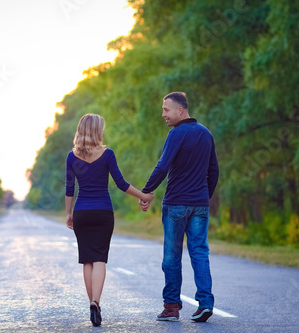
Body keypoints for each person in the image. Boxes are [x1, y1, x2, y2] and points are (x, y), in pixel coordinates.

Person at [65, 113, 154, 327]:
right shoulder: (108, 154)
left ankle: (92, 304)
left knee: (86, 259)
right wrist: (143, 196)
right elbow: (121, 183)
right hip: (103, 212)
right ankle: (96, 302)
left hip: (82, 212)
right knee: (100, 259)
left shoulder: (72, 156)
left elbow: (69, 188)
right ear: (98, 130)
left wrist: (68, 214)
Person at [139, 92, 219, 323]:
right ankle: (205, 303)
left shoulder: (176, 133)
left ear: (180, 111)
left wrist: (146, 191)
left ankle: (171, 307)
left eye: (166, 110)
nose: (163, 114)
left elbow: (162, 166)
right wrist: (204, 196)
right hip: (200, 205)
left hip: (176, 205)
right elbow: (214, 171)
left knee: (172, 255)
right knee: (199, 252)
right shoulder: (206, 134)